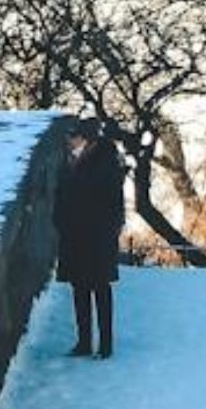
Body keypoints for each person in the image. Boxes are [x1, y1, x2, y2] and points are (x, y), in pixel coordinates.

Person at [53, 119, 126, 359]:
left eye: (74, 137)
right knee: (80, 288)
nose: (69, 141)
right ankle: (84, 341)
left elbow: (109, 199)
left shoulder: (104, 161)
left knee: (100, 288)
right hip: (76, 235)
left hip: (97, 235)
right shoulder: (73, 161)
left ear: (87, 140)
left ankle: (105, 345)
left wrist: (109, 228)